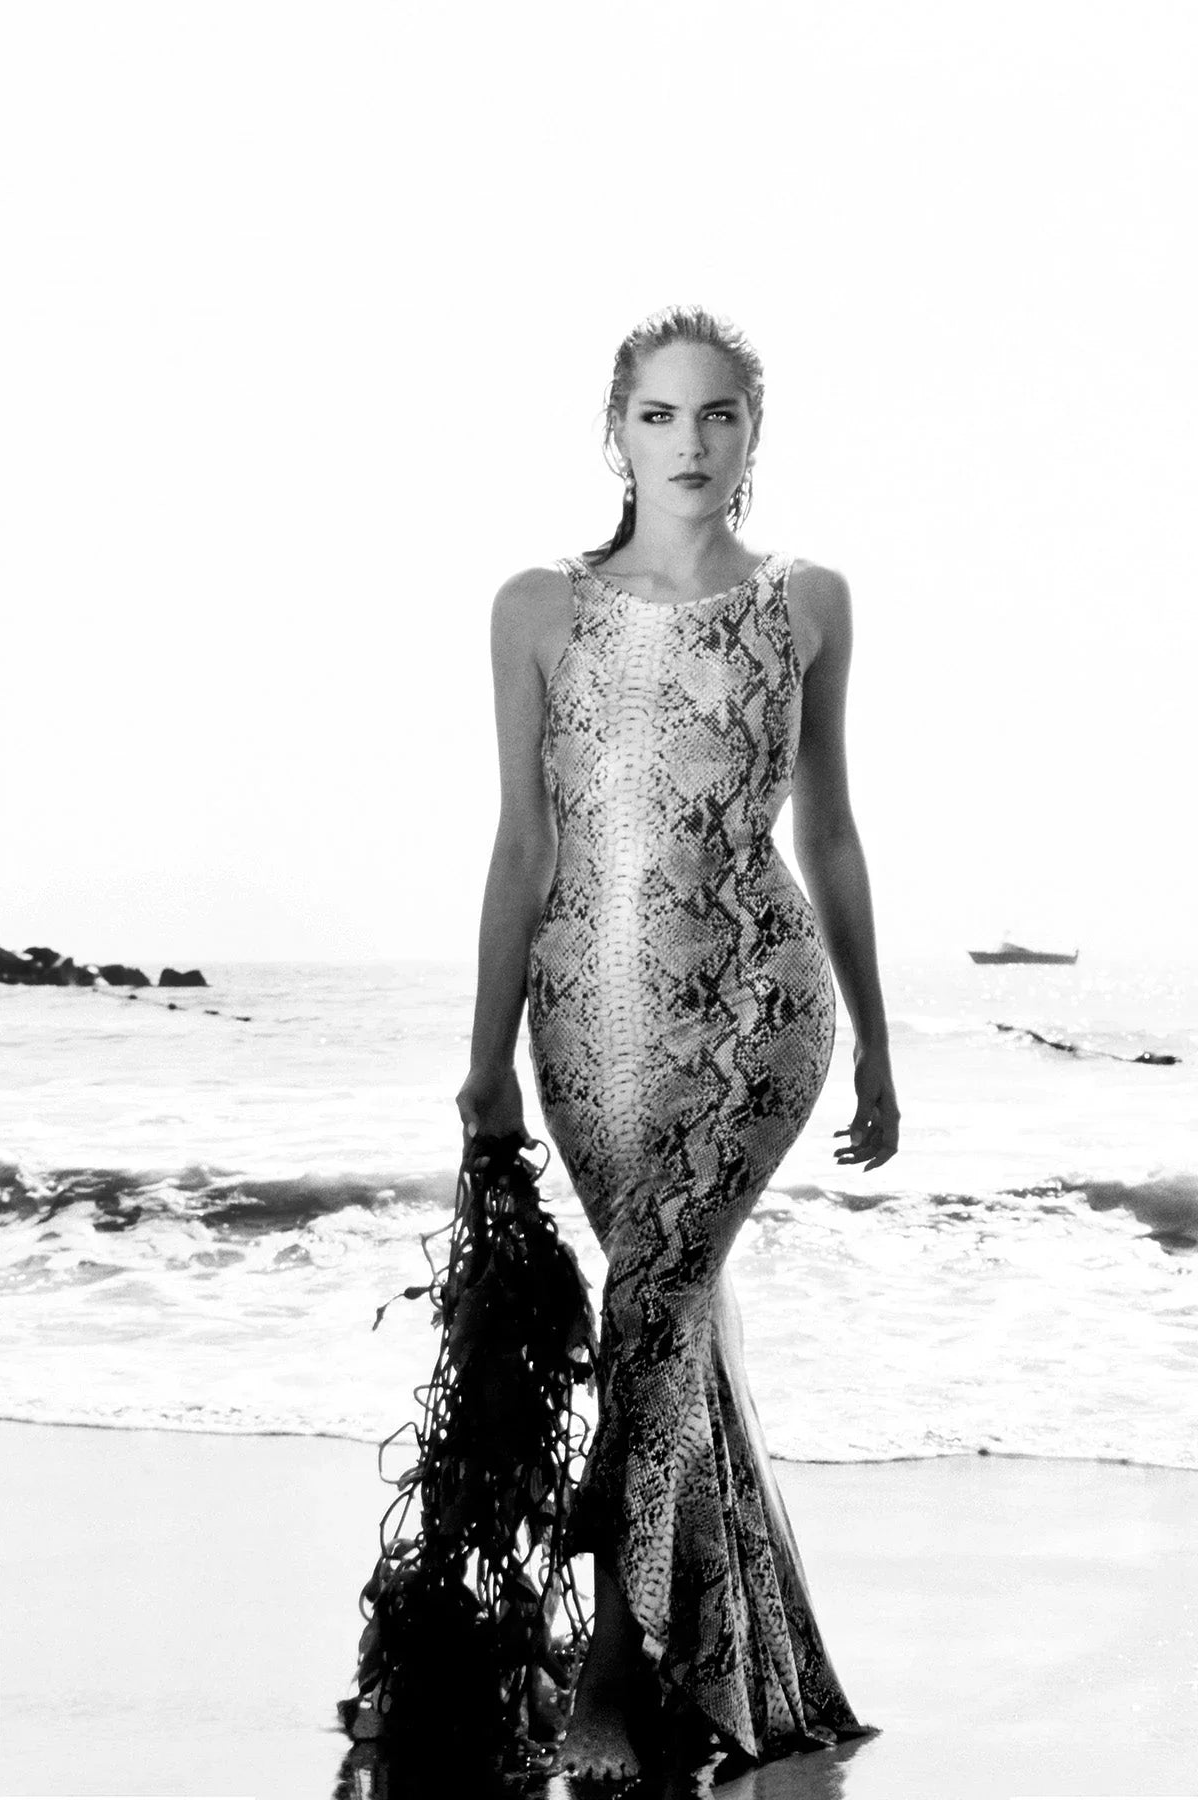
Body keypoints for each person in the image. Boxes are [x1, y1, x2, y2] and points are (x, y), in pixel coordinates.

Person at [456, 303, 899, 1783]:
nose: (691, 442)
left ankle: (611, 1666)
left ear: (754, 434)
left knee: (653, 1293)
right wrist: (486, 1060)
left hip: (760, 1005)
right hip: (590, 1017)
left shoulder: (808, 602)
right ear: (617, 432)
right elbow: (524, 848)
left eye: (719, 414)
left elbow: (831, 833)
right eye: (660, 414)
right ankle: (746, 1676)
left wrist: (878, 1046)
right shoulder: (536, 609)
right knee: (670, 1319)